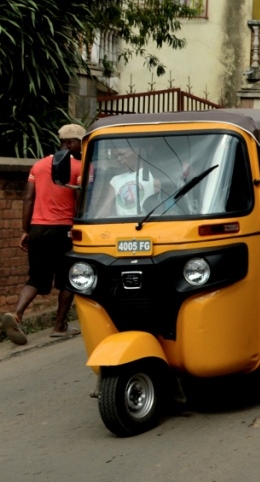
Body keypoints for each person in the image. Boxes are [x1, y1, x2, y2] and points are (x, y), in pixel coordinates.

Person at [2, 124, 85, 345]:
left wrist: (26, 230)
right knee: (67, 280)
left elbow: (28, 199)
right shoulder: (80, 166)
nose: (82, 146)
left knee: (36, 278)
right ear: (68, 143)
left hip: (38, 228)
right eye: (80, 141)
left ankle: (18, 313)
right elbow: (79, 202)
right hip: (65, 230)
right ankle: (59, 326)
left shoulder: (38, 166)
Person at [102, 143, 158, 216]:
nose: (118, 159)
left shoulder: (153, 175)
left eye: (122, 154)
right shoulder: (115, 180)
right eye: (116, 157)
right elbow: (106, 206)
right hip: (123, 225)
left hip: (145, 223)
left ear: (136, 151)